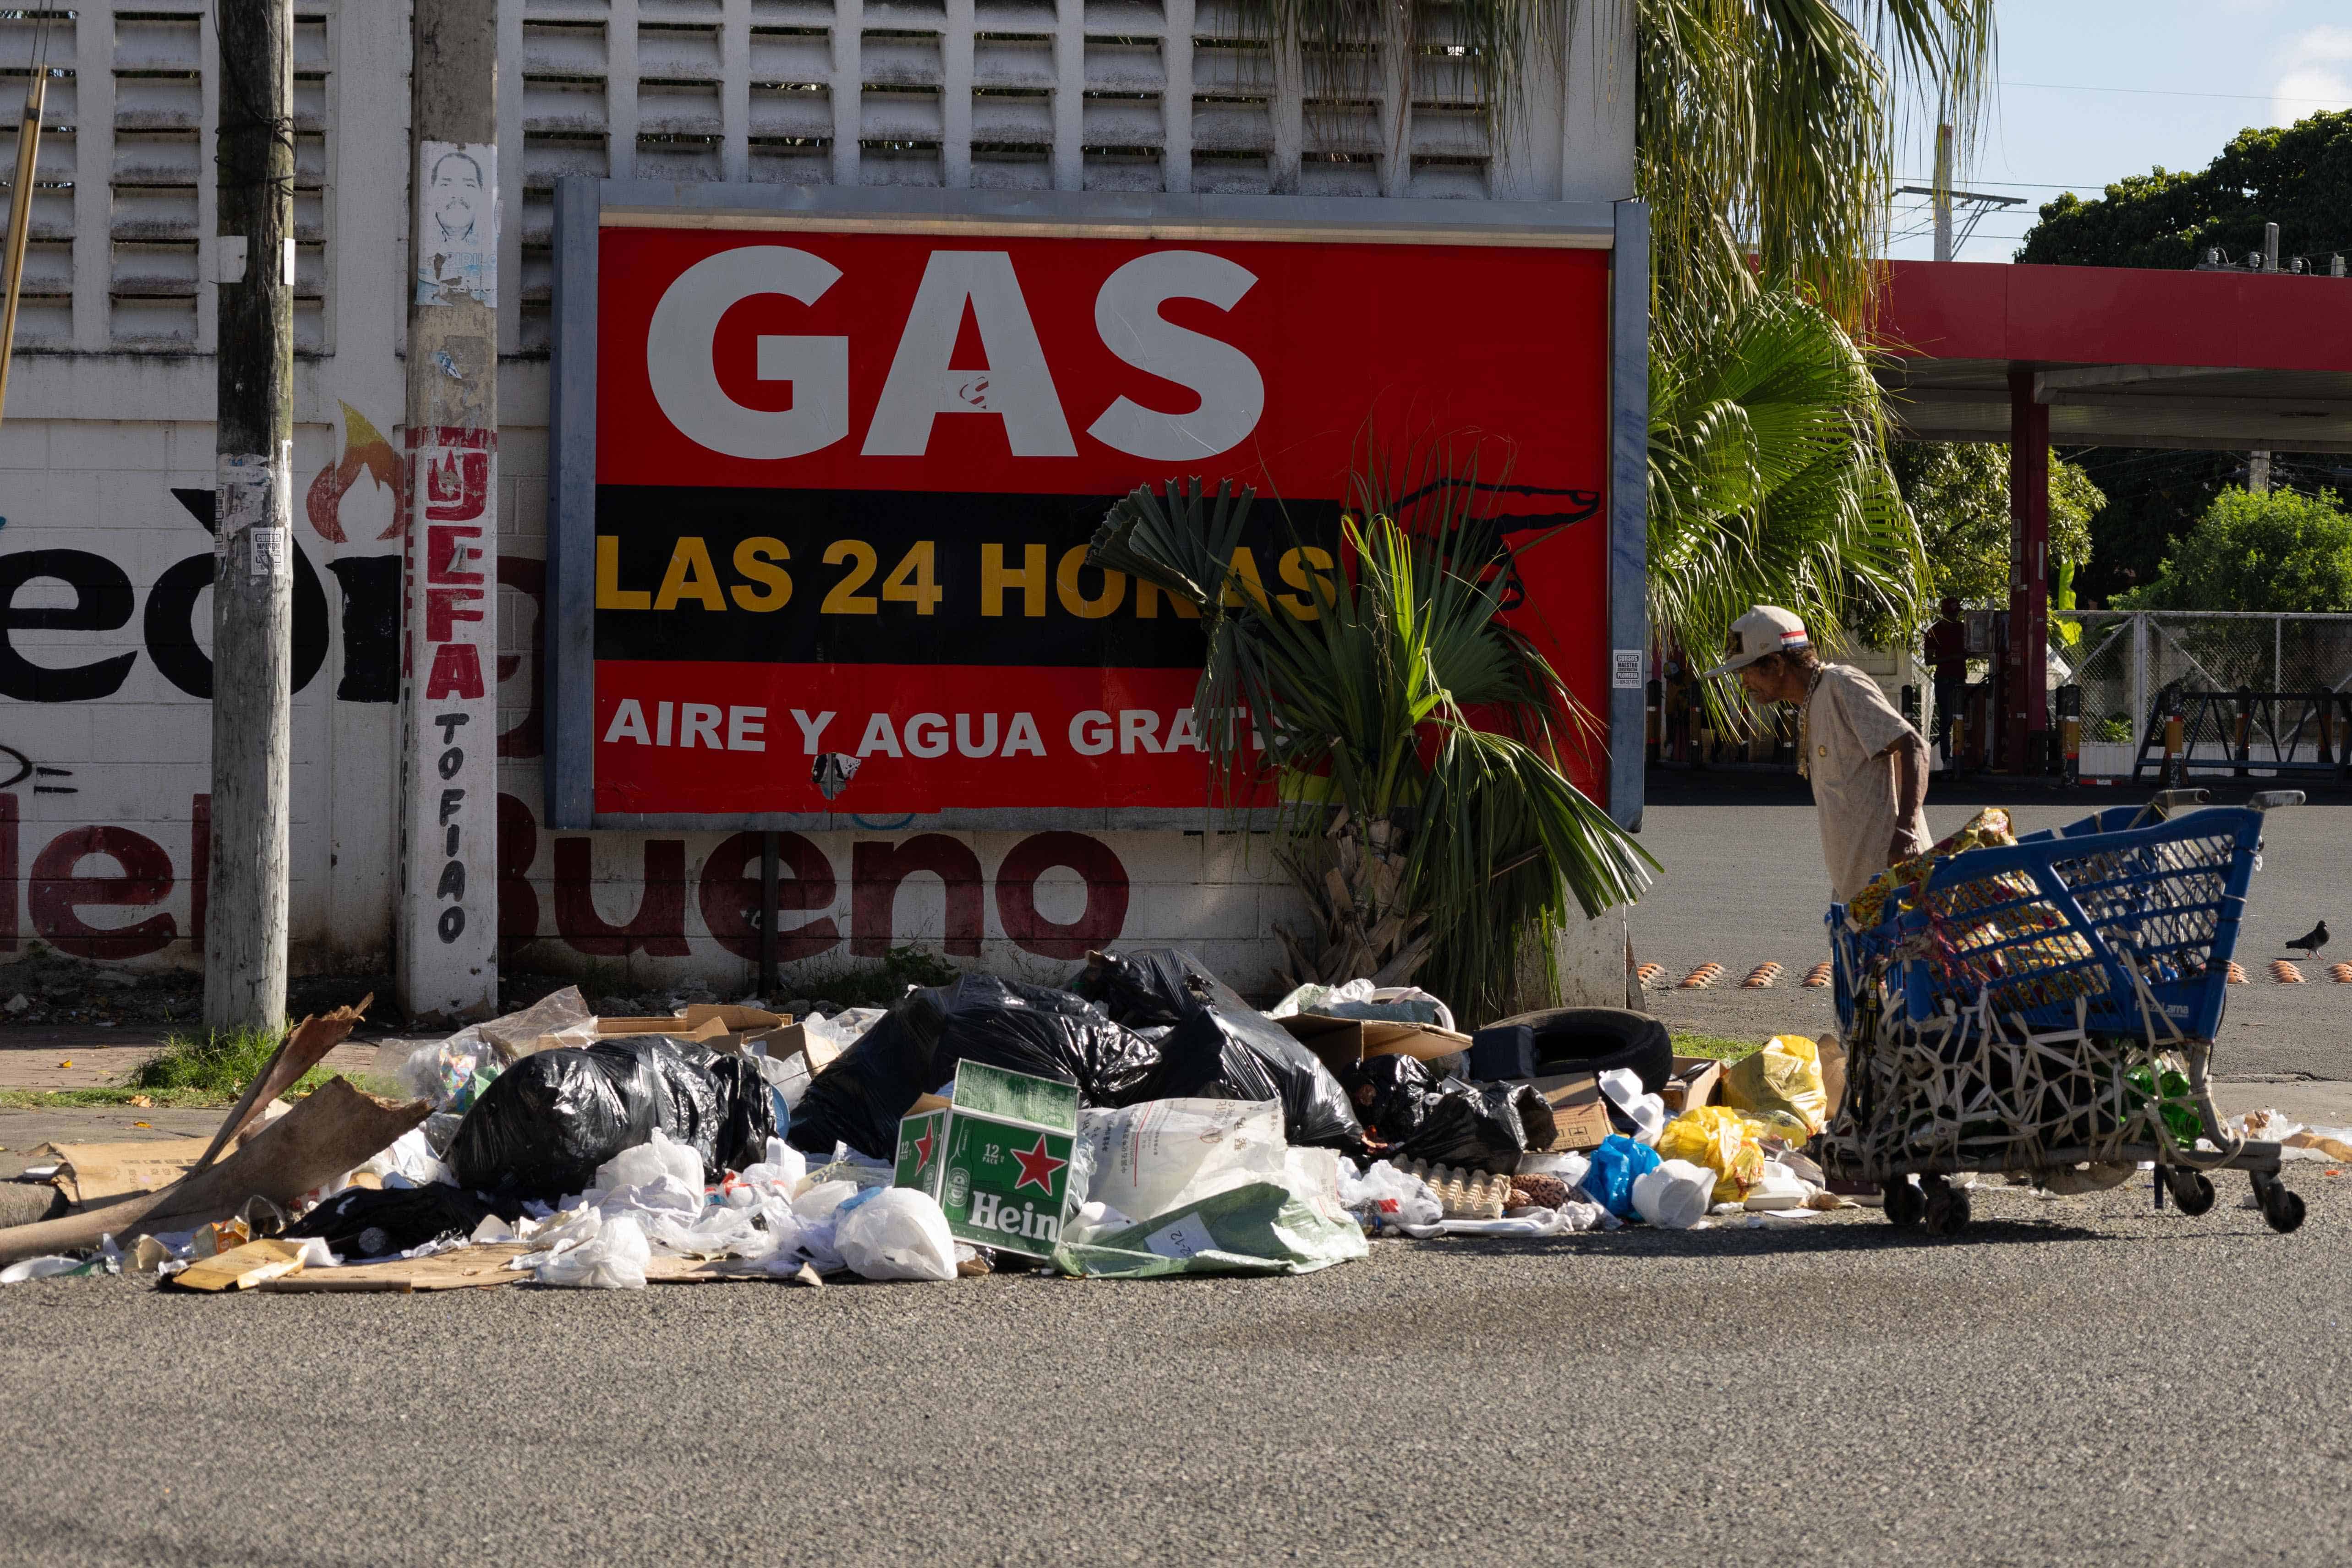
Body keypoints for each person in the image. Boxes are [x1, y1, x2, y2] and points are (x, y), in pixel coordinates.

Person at [1706, 605, 1931, 904]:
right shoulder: (1812, 703)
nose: (1744, 684)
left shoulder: (1842, 685)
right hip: (1859, 894)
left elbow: (1912, 746)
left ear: (1776, 663)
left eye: (1746, 672)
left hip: (1895, 889)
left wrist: (1906, 832)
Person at [1923, 596, 1968, 767]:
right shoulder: (1934, 631)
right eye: (1952, 614)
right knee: (1946, 718)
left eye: (1956, 613)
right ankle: (1946, 758)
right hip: (1944, 679)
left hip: (1960, 678)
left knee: (1963, 717)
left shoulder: (1963, 629)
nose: (1955, 617)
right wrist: (1952, 658)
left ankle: (1961, 755)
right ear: (1944, 613)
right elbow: (1928, 660)